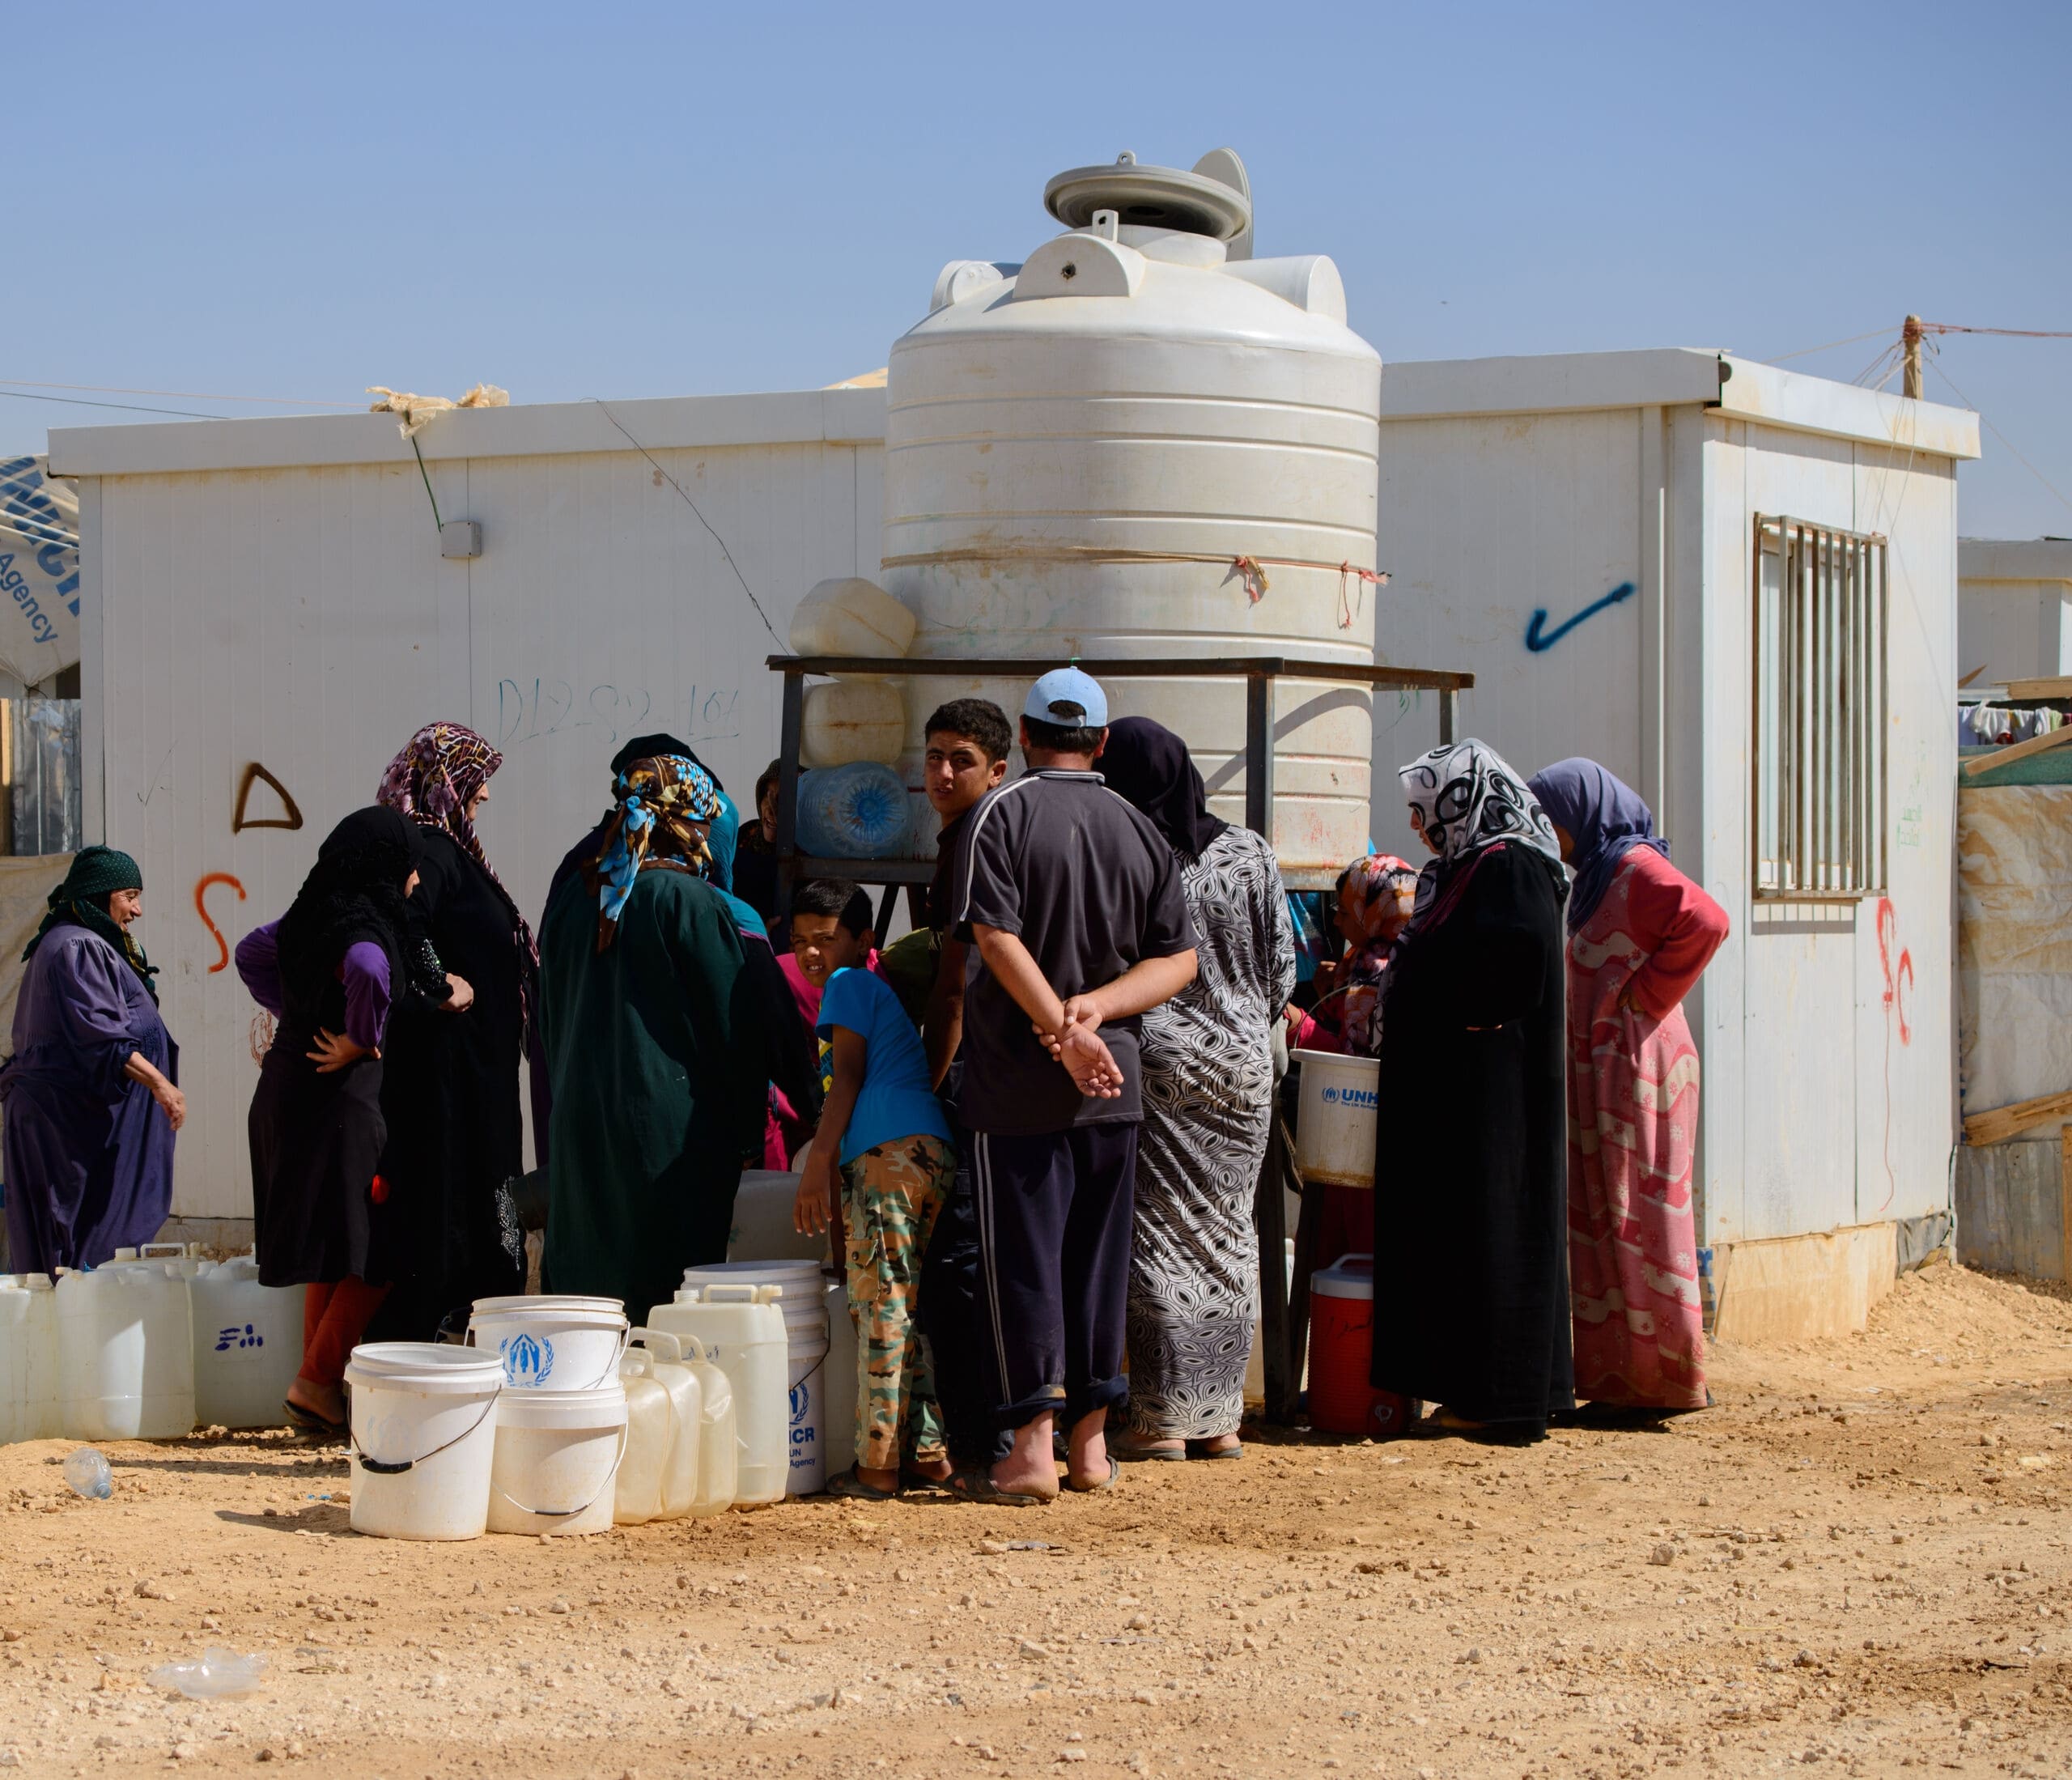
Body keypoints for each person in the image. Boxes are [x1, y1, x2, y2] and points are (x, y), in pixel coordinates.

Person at [948, 668, 1197, 1504]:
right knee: (1096, 1261)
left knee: (1025, 1260)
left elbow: (994, 936)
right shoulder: (1139, 826)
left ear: (1023, 736)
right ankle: (1089, 1449)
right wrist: (1097, 1012)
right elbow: (1179, 959)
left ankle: (1029, 1450)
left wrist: (1059, 1027)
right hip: (1112, 1082)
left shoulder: (999, 813)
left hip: (1018, 1085)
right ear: (1100, 741)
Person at [1098, 716, 1296, 1461]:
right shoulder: (1250, 851)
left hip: (1161, 1063)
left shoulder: (1131, 849)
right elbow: (1283, 969)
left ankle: (1162, 1420)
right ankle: (1221, 1419)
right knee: (1228, 1233)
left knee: (1159, 1231)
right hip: (1244, 1066)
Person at [1369, 739, 1571, 1441]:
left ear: (1465, 801)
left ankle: (1498, 1399)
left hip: (1493, 1092)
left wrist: (1451, 1003)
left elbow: (1518, 961)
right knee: (1467, 1237)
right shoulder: (1472, 865)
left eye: (1426, 808)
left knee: (1495, 1231)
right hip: (1465, 1089)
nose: (1418, 825)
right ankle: (1478, 1391)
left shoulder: (1509, 864)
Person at [1526, 757, 1729, 1414]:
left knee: (1645, 1218)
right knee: (1607, 1217)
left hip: (1643, 1068)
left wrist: (1645, 996)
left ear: (1579, 814)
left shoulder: (1635, 868)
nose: (1546, 834)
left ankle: (1669, 1379)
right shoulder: (1594, 877)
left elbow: (1707, 920)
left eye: (1550, 820)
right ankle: (1622, 1380)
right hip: (1608, 1067)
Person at [240, 808, 452, 1432]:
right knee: (383, 1244)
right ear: (383, 867)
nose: (416, 878)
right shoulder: (364, 927)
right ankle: (314, 1380)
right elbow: (366, 966)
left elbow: (251, 952)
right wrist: (361, 1034)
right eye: (409, 864)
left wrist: (300, 1008)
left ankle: (317, 1392)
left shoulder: (311, 917)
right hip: (335, 1103)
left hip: (287, 1093)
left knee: (333, 1245)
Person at [537, 754, 767, 1322]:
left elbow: (546, 1014)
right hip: (668, 1135)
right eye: (702, 821)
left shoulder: (575, 898)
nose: (706, 836)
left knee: (589, 1294)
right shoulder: (689, 901)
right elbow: (733, 1029)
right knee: (665, 1296)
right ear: (679, 820)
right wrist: (747, 1135)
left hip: (580, 1126)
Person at [370, 722, 530, 1338]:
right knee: (467, 1202)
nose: (483, 794)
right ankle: (454, 1329)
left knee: (486, 1193)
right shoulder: (434, 849)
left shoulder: (446, 848)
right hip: (454, 1077)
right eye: (475, 779)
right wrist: (438, 984)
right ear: (444, 780)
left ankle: (471, 1323)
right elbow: (402, 921)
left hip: (476, 1071)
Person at [792, 940, 957, 1499]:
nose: (812, 951)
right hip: (925, 1149)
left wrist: (818, 1160)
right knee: (897, 1302)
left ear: (860, 940)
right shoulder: (879, 996)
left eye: (826, 936)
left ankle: (877, 1467)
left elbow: (847, 1077)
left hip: (887, 1153)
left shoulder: (848, 982)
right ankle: (927, 1453)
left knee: (879, 1306)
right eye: (799, 939)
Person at [911, 698, 1013, 1476]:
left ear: (998, 769)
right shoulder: (976, 835)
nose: (943, 773)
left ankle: (982, 1441)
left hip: (974, 1077)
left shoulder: (974, 843)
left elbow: (952, 987)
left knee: (959, 1258)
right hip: (1007, 1074)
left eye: (962, 760)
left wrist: (927, 1091)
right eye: (934, 757)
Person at [1, 847, 182, 1274]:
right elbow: (102, 1037)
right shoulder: (77, 946)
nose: (137, 910)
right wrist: (160, 1083)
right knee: (69, 1256)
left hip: (67, 1122)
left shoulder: (77, 942)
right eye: (129, 896)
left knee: (67, 1258)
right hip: (63, 1130)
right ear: (100, 895)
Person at [730, 758, 784, 926]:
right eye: (767, 796)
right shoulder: (746, 836)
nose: (771, 810)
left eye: (782, 799)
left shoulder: (808, 855)